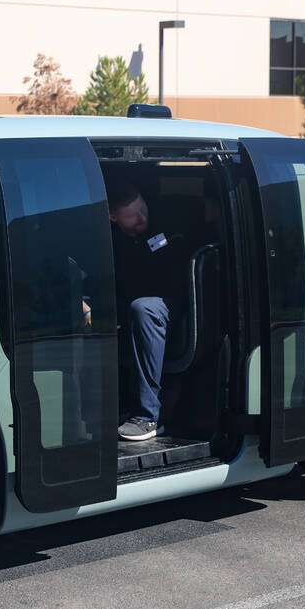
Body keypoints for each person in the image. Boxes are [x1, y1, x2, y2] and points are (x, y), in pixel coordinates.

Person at [108, 181, 187, 442]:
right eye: (132, 216)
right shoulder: (109, 241)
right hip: (128, 302)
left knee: (143, 308)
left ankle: (147, 417)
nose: (142, 218)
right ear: (113, 217)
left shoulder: (167, 222)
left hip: (169, 302)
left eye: (143, 209)